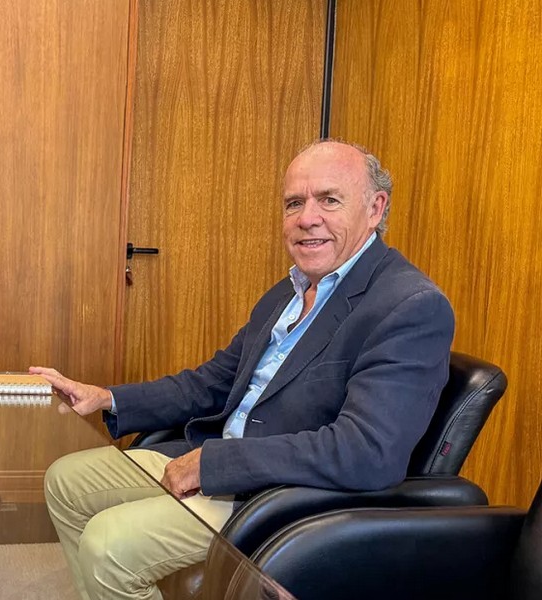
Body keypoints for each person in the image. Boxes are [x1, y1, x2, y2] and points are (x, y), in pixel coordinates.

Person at [31, 140, 456, 600]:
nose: (307, 218)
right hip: (215, 457)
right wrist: (109, 397)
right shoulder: (289, 291)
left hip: (274, 495)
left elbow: (367, 451)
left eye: (329, 200)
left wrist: (215, 464)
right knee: (65, 481)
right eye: (294, 203)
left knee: (108, 545)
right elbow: (213, 382)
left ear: (375, 208)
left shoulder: (409, 306)